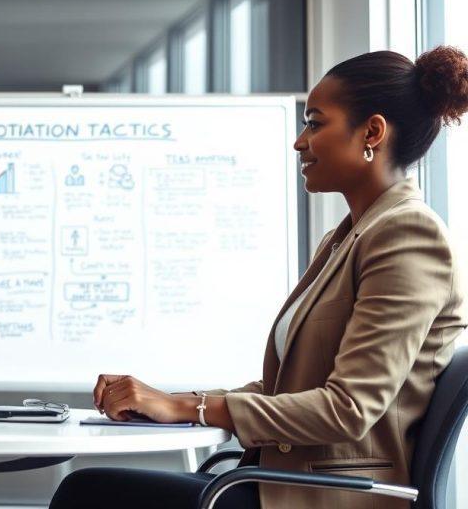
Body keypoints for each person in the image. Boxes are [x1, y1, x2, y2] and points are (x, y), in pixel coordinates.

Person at [50, 46, 468, 509]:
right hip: (280, 480)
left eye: (315, 122)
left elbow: (348, 410)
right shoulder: (348, 237)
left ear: (371, 131)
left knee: (88, 492)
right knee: (92, 489)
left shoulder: (408, 235)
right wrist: (168, 401)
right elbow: (290, 391)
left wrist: (188, 408)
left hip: (333, 498)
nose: (299, 142)